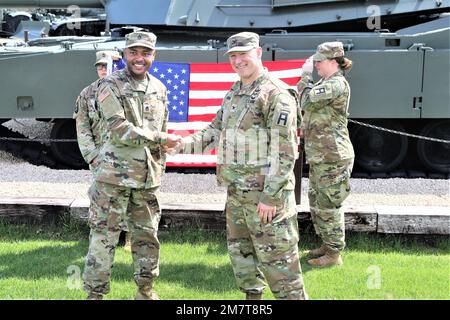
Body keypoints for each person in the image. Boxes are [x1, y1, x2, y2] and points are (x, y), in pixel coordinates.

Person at [166, 32, 307, 300]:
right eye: (233, 55)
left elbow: (286, 152)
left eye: (243, 54)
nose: (238, 60)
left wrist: (271, 197)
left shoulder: (276, 94)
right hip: (238, 195)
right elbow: (214, 131)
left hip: (266, 200)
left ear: (259, 52)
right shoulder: (235, 92)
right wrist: (179, 145)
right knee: (244, 262)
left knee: (281, 269)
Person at [82, 31, 181, 300]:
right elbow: (119, 129)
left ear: (154, 55)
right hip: (112, 180)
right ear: (125, 54)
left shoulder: (159, 88)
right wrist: (162, 140)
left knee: (147, 239)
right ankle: (95, 295)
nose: (140, 58)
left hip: (147, 180)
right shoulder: (110, 86)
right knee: (104, 240)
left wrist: (159, 164)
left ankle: (146, 291)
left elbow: (163, 127)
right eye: (134, 52)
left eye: (146, 53)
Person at [297, 41, 355, 268]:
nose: (315, 65)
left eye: (319, 61)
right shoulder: (325, 82)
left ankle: (333, 255)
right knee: (318, 202)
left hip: (333, 157)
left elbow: (306, 100)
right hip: (323, 156)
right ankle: (328, 245)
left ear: (332, 62)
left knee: (329, 205)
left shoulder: (336, 84)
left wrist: (304, 76)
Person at [74, 50, 132, 252]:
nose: (103, 70)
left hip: (125, 154)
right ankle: (98, 234)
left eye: (106, 66)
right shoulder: (87, 94)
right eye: (99, 66)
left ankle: (128, 235)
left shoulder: (127, 92)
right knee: (99, 195)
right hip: (101, 156)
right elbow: (82, 127)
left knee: (127, 194)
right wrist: (92, 156)